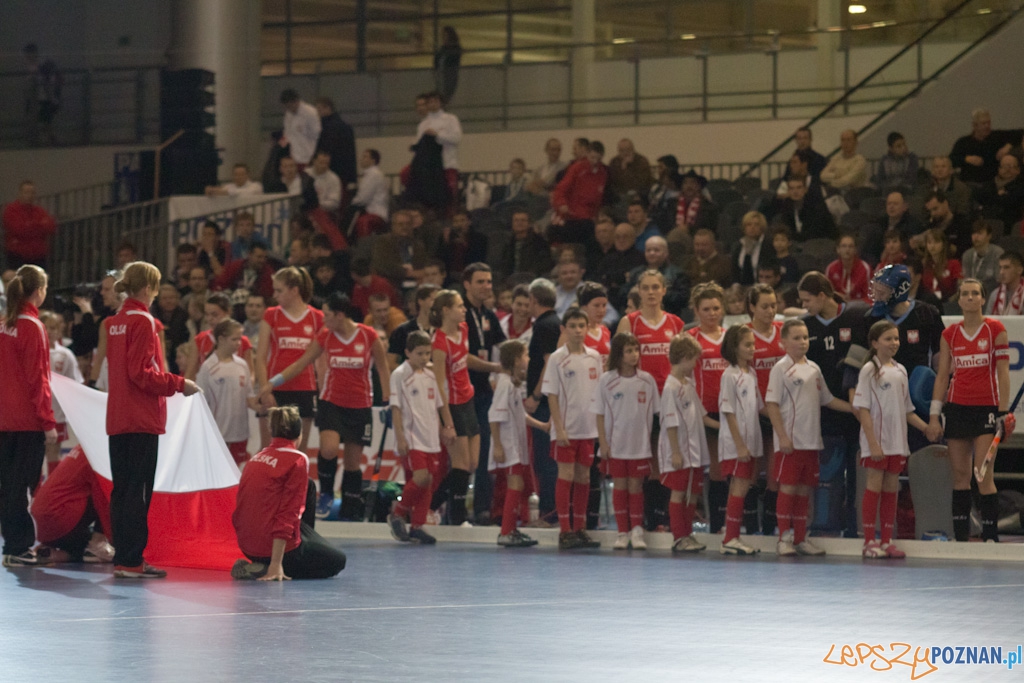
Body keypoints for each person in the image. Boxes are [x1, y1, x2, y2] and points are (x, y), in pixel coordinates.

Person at [106, 262, 200, 578]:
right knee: (138, 491)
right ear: (148, 288)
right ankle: (133, 560)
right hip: (140, 417)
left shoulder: (115, 322)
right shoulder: (144, 321)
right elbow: (142, 373)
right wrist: (179, 383)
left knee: (122, 490)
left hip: (118, 416)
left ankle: (124, 558)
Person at [267, 292, 389, 521]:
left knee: (353, 462)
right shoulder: (325, 336)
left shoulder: (368, 335)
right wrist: (272, 383)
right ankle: (326, 493)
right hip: (331, 402)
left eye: (327, 315)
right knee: (329, 449)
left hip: (360, 405)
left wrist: (388, 400)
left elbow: (383, 369)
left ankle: (350, 506)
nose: (323, 320)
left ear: (340, 315)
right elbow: (301, 363)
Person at [927, 279, 1013, 542]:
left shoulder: (995, 329)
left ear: (983, 299)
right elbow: (942, 376)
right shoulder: (950, 334)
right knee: (960, 476)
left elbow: (1003, 373)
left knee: (982, 474)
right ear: (960, 300)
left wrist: (1003, 411)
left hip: (986, 408)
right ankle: (961, 538)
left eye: (975, 293)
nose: (970, 297)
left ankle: (990, 537)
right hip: (957, 409)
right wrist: (934, 415)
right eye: (965, 293)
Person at [765, 319, 852, 557]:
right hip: (791, 442)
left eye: (805, 337)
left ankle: (801, 538)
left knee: (804, 491)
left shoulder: (814, 368)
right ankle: (783, 539)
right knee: (788, 489)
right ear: (783, 342)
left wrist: (855, 409)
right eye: (796, 338)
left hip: (811, 441)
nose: (802, 342)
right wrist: (782, 436)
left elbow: (828, 399)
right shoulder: (780, 369)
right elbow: (771, 404)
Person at [231, 406, 346, 580]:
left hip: (247, 547)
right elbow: (289, 512)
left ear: (272, 433)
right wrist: (276, 564)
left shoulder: (256, 457)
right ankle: (271, 565)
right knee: (338, 561)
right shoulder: (297, 459)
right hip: (271, 550)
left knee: (309, 485)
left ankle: (268, 559)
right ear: (299, 435)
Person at [798, 271, 869, 537]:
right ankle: (827, 525)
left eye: (807, 300)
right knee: (829, 472)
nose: (804, 305)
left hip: (858, 410)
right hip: (825, 413)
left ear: (822, 295)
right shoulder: (805, 326)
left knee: (859, 472)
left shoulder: (858, 316)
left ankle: (856, 528)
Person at [853, 320, 930, 559]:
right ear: (875, 343)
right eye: (888, 339)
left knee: (890, 490)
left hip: (897, 442)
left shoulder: (901, 370)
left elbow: (907, 410)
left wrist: (926, 428)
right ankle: (869, 541)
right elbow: (862, 409)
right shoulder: (869, 370)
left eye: (896, 338)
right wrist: (873, 443)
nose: (894, 343)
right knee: (873, 488)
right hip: (877, 441)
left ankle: (886, 541)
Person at [616, 269, 685, 529]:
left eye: (656, 287)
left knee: (663, 457)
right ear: (639, 291)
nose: (651, 292)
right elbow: (618, 363)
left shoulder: (676, 324)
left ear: (664, 290)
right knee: (639, 459)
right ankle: (637, 520)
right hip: (638, 401)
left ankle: (658, 518)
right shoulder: (629, 323)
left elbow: (683, 364)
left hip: (668, 400)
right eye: (646, 288)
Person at [0, 265, 57, 567]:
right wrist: (48, 422)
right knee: (22, 486)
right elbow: (39, 379)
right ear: (39, 291)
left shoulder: (3, 325)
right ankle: (18, 546)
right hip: (26, 422)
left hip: (4, 420)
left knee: (7, 485)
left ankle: (12, 544)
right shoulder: (33, 327)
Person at [430, 290, 501, 526]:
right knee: (460, 466)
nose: (463, 310)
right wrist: (447, 423)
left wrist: (494, 367)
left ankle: (430, 506)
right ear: (445, 311)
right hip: (452, 404)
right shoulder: (439, 342)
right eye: (459, 306)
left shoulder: (463, 329)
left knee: (472, 464)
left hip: (467, 399)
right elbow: (438, 384)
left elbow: (465, 358)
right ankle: (454, 517)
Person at [543, 307, 603, 550]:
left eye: (581, 326)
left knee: (584, 477)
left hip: (588, 429)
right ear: (564, 329)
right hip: (566, 429)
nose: (578, 330)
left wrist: (600, 429)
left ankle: (580, 528)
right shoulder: (557, 358)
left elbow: (599, 394)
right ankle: (565, 531)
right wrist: (559, 428)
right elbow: (552, 395)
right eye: (573, 326)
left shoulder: (595, 357)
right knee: (565, 476)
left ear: (587, 328)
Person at [593, 332, 658, 550]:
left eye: (636, 350)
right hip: (616, 445)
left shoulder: (647, 380)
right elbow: (599, 414)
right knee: (620, 486)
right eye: (628, 351)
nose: (634, 355)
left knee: (636, 486)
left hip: (640, 446)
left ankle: (637, 530)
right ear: (619, 354)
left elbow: (655, 413)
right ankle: (622, 532)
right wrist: (603, 443)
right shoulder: (606, 380)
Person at [387, 331, 450, 546]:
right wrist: (400, 437)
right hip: (412, 436)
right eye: (420, 353)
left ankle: (417, 526)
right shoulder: (399, 374)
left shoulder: (431, 376)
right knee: (421, 477)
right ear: (408, 353)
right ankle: (398, 512)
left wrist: (443, 429)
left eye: (427, 353)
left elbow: (436, 407)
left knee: (429, 481)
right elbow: (396, 408)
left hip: (431, 437)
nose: (424, 358)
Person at [255, 267, 323, 454]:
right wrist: (265, 389)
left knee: (299, 452)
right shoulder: (271, 314)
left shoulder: (316, 317)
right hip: (275, 389)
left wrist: (322, 390)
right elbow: (260, 357)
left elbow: (321, 360)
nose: (274, 295)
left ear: (294, 290)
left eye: (279, 290)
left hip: (304, 388)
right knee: (268, 450)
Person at [659, 334, 714, 553]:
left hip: (694, 450)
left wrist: (725, 427)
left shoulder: (688, 384)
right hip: (680, 449)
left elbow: (702, 415)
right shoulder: (670, 387)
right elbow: (670, 422)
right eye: (693, 360)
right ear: (684, 358)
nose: (695, 364)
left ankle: (687, 533)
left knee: (692, 493)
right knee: (679, 492)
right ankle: (678, 537)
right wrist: (675, 451)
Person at [489, 339, 547, 547]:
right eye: (525, 355)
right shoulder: (504, 384)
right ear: (515, 360)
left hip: (515, 443)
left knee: (518, 484)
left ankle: (511, 528)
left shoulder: (513, 385)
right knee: (515, 484)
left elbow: (520, 414)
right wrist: (497, 445)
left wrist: (542, 426)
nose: (528, 359)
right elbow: (494, 416)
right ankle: (506, 531)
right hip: (508, 443)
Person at [462, 264, 506, 523]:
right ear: (467, 284)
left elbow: (504, 345)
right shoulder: (460, 314)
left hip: (484, 393)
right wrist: (496, 368)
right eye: (480, 281)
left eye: (489, 282)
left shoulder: (488, 315)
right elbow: (462, 356)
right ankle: (454, 508)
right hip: (461, 393)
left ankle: (481, 508)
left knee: (484, 452)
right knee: (461, 456)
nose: (486, 286)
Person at [686, 283, 729, 532]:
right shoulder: (690, 338)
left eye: (715, 308)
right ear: (696, 310)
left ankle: (728, 524)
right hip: (704, 412)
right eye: (706, 309)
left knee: (732, 469)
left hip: (730, 411)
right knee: (715, 469)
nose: (712, 313)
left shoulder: (731, 337)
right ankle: (714, 527)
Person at [718, 325, 763, 556]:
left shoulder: (751, 373)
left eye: (753, 344)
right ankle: (730, 538)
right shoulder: (730, 375)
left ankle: (733, 535)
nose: (753, 348)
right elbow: (728, 411)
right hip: (737, 443)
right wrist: (740, 445)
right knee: (739, 487)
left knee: (743, 488)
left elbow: (760, 407)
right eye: (747, 345)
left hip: (751, 440)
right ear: (735, 348)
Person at [30, 445, 114, 564]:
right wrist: (114, 540)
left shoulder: (84, 447)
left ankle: (53, 553)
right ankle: (96, 544)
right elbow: (103, 501)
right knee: (109, 491)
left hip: (43, 527)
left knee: (85, 541)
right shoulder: (98, 455)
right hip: (62, 522)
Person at [747, 284, 785, 535]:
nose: (770, 310)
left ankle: (771, 530)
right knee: (749, 474)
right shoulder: (743, 334)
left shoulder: (783, 331)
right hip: (753, 413)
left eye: (773, 305)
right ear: (752, 307)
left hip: (779, 414)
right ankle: (750, 530)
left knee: (775, 474)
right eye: (764, 306)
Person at [197, 319, 257, 466]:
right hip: (218, 433)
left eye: (240, 339)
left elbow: (249, 398)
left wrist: (263, 406)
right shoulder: (208, 367)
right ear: (221, 339)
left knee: (237, 473)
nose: (239, 343)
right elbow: (200, 402)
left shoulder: (242, 365)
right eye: (234, 339)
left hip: (240, 433)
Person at [40, 310, 83, 475]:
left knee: (53, 453)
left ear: (59, 330)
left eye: (53, 328)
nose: (50, 332)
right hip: (37, 412)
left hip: (57, 412)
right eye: (46, 328)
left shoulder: (65, 354)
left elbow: (75, 382)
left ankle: (52, 488)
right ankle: (35, 489)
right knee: (36, 455)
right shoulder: (34, 351)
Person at [184, 293, 254, 380]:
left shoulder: (242, 341)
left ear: (228, 312)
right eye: (207, 314)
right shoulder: (200, 340)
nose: (210, 319)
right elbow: (190, 373)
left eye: (215, 315)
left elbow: (250, 373)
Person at [550, 140, 609, 244]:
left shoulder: (602, 174)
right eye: (592, 158)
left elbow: (598, 199)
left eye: (598, 159)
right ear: (587, 154)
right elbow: (561, 189)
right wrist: (561, 204)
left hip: (589, 217)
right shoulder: (577, 168)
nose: (595, 161)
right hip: (573, 215)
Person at [949, 108, 1024, 185]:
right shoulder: (963, 142)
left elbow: (1020, 133)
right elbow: (951, 160)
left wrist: (1007, 147)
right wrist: (966, 159)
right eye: (983, 123)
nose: (987, 126)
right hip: (969, 183)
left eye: (989, 123)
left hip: (993, 183)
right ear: (975, 125)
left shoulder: (997, 137)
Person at [2, 180, 56, 270]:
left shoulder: (39, 210)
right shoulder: (11, 210)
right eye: (26, 192)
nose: (30, 195)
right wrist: (39, 225)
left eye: (32, 193)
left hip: (38, 256)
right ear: (20, 193)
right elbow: (18, 230)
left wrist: (30, 225)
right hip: (18, 256)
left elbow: (51, 226)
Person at [771, 174, 836, 243]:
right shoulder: (787, 205)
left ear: (805, 189)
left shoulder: (816, 205)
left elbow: (814, 232)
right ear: (788, 191)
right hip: (797, 243)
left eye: (799, 188)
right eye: (791, 188)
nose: (795, 191)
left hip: (820, 242)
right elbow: (787, 229)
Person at [387, 284, 438, 368]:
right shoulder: (402, 331)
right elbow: (390, 363)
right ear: (421, 301)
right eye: (434, 300)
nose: (437, 305)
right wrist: (415, 370)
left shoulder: (443, 330)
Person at [497, 209, 554, 281]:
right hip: (510, 280)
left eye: (523, 220)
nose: (519, 223)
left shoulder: (540, 242)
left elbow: (544, 265)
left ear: (529, 224)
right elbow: (504, 266)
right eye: (516, 220)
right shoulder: (508, 243)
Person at [22, 44, 61, 146]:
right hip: (34, 99)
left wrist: (52, 98)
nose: (27, 57)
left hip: (43, 99)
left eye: (28, 54)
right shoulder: (31, 67)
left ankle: (49, 142)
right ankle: (45, 141)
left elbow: (47, 83)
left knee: (45, 123)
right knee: (40, 122)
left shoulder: (42, 66)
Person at [313, 97, 357, 187]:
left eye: (319, 109)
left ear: (328, 108)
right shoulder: (345, 127)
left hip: (331, 170)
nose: (317, 113)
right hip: (344, 172)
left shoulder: (326, 128)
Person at [974, 153, 1024, 229]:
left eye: (1011, 166)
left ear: (1018, 170)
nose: (1007, 170)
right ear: (999, 169)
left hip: (1009, 224)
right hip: (986, 222)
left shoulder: (1021, 186)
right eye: (1004, 166)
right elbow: (979, 196)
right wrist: (999, 195)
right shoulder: (989, 184)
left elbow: (1011, 201)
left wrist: (994, 197)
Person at [351, 149, 390, 238]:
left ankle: (364, 244)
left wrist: (351, 202)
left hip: (376, 212)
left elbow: (363, 198)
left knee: (362, 222)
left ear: (373, 160)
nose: (361, 159)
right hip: (375, 211)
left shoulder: (373, 175)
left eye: (365, 157)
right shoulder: (374, 174)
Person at [731, 211, 777, 287]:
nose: (752, 227)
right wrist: (736, 286)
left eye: (756, 224)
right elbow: (735, 270)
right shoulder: (739, 245)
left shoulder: (769, 245)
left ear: (762, 228)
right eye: (749, 224)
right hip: (741, 287)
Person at [825, 233, 873, 303]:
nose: (847, 250)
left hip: (859, 306)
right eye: (844, 246)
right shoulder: (831, 268)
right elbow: (827, 294)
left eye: (850, 246)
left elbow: (870, 296)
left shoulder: (865, 269)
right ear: (838, 249)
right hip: (837, 306)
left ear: (855, 250)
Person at [280, 89, 321, 168]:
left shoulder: (310, 113)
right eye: (286, 107)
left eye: (290, 106)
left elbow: (316, 134)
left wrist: (301, 130)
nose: (289, 109)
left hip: (307, 157)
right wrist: (281, 145)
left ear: (296, 101)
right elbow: (287, 134)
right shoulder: (288, 114)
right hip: (293, 157)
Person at [961, 219, 1004, 295]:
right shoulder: (967, 254)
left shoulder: (997, 253)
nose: (976, 236)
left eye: (980, 233)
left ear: (989, 236)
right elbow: (966, 279)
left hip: (991, 293)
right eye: (974, 233)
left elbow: (1000, 280)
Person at [921, 228, 963, 302]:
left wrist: (950, 302)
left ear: (944, 244)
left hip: (950, 303)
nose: (932, 246)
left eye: (936, 242)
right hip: (929, 303)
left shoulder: (954, 264)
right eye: (929, 242)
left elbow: (961, 287)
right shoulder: (924, 265)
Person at [674, 169, 718, 234]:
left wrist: (688, 229)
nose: (689, 186)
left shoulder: (708, 207)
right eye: (685, 183)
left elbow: (708, 227)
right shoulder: (673, 204)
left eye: (692, 182)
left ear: (699, 186)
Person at [434, 26, 463, 104]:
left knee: (446, 94)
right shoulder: (442, 49)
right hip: (441, 75)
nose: (443, 38)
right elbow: (437, 60)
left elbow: (452, 62)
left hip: (449, 75)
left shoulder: (455, 49)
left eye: (445, 36)